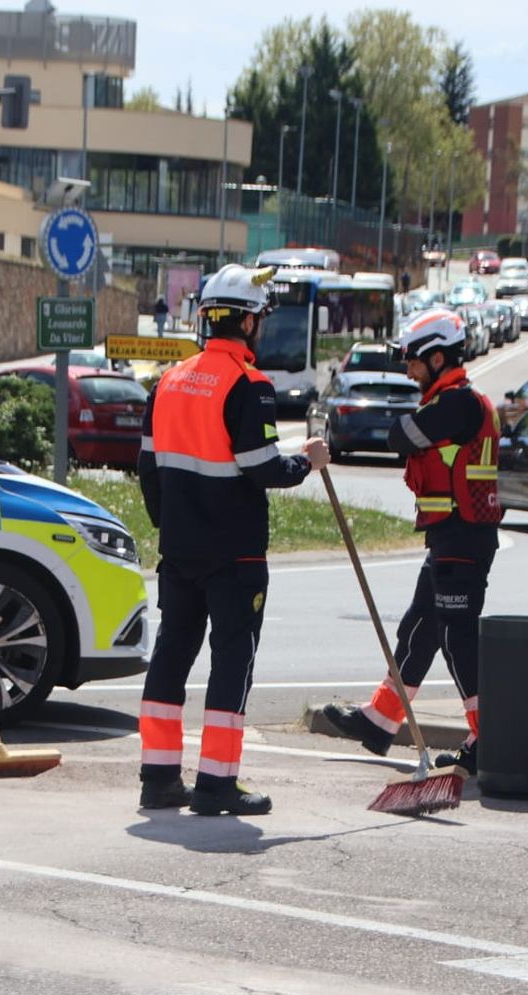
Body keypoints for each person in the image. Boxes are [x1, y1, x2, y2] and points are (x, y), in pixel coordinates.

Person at [137, 264, 330, 816]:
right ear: (247, 324)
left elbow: (147, 467)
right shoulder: (250, 386)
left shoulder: (168, 382)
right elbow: (262, 467)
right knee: (231, 662)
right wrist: (308, 462)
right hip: (235, 555)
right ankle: (218, 783)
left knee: (171, 657)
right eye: (260, 320)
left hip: (179, 551)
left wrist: (170, 524)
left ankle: (158, 778)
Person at [318, 308, 502, 773]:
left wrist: (405, 428)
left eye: (414, 360)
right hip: (449, 536)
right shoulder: (448, 402)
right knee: (419, 630)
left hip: (463, 536)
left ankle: (489, 739)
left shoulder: (458, 403)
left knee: (458, 640)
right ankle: (380, 722)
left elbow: (401, 435)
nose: (408, 369)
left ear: (439, 358)